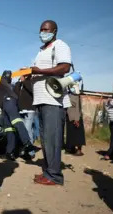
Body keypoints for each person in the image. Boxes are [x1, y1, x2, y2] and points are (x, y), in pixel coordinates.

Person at [29, 20, 72, 186]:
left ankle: (54, 176)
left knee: (52, 138)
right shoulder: (41, 51)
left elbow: (64, 68)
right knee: (46, 139)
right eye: (40, 29)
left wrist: (38, 71)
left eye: (46, 29)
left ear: (54, 31)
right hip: (41, 99)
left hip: (53, 100)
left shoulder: (60, 46)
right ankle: (48, 172)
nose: (42, 32)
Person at [0, 71, 34, 161]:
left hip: (8, 101)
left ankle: (27, 143)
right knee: (9, 128)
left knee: (16, 121)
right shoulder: (7, 85)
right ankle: (9, 152)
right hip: (5, 104)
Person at [14, 75, 37, 158]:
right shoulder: (20, 84)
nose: (22, 76)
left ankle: (31, 152)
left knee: (27, 129)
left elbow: (32, 90)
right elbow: (15, 93)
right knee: (23, 130)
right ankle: (25, 149)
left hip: (29, 110)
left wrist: (24, 81)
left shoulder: (31, 82)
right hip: (21, 110)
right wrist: (18, 83)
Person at [64, 92, 85, 156]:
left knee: (78, 135)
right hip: (70, 117)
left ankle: (79, 150)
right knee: (71, 134)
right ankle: (72, 149)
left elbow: (77, 108)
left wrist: (77, 119)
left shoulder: (75, 95)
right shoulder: (67, 94)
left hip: (76, 117)